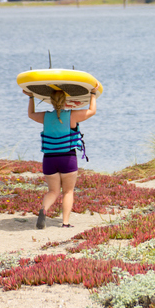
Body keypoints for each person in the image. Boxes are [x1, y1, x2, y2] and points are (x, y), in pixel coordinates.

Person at [24, 88, 97, 229]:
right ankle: (65, 223)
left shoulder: (45, 116)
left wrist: (31, 97)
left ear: (50, 101)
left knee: (53, 191)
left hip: (49, 159)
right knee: (68, 191)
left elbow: (31, 114)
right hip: (67, 158)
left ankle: (44, 210)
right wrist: (93, 94)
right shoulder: (72, 116)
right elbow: (92, 111)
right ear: (66, 101)